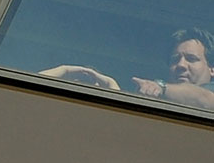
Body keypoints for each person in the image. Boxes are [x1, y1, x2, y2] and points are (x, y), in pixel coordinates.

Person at [39, 28, 214, 110]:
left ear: (212, 69)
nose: (181, 65)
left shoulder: (207, 94)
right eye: (175, 60)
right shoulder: (157, 106)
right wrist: (64, 70)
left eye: (191, 59)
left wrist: (160, 87)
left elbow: (205, 99)